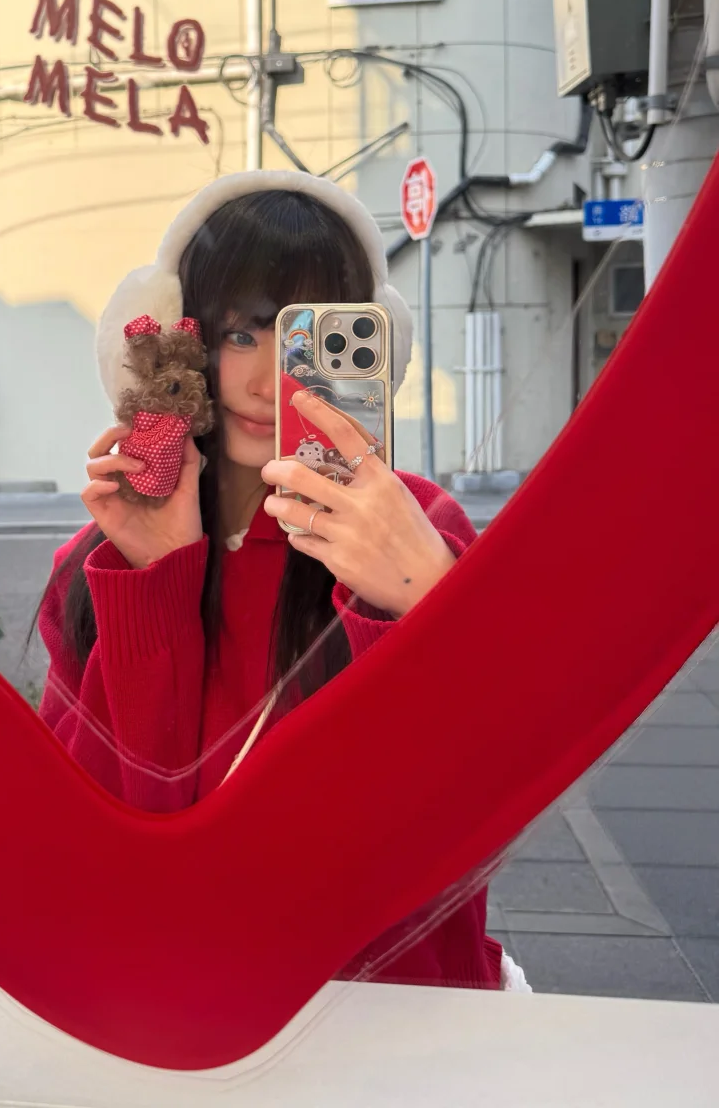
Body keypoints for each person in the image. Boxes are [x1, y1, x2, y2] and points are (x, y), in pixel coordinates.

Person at [34, 170, 525, 993]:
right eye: (239, 333)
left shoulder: (420, 529)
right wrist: (154, 581)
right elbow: (108, 838)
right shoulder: (102, 557)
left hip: (393, 1008)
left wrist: (422, 599)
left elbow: (474, 809)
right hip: (184, 997)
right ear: (178, 340)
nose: (270, 383)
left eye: (310, 338)